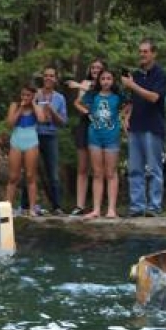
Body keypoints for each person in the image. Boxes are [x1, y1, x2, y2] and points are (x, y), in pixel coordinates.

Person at [122, 39, 166, 217]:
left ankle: (155, 207)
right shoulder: (136, 74)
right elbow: (133, 100)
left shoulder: (160, 75)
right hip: (136, 126)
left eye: (146, 51)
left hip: (153, 127)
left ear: (153, 54)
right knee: (135, 169)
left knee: (154, 169)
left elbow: (154, 98)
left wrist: (133, 85)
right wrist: (126, 116)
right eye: (140, 51)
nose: (142, 54)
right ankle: (137, 206)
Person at [76, 69, 125, 219]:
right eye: (103, 78)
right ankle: (96, 209)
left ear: (113, 80)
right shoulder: (93, 95)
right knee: (97, 173)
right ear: (99, 81)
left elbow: (129, 104)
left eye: (108, 78)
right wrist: (87, 113)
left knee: (111, 173)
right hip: (95, 136)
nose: (105, 81)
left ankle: (111, 209)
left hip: (111, 136)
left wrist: (125, 117)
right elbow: (78, 102)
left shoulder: (118, 97)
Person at [66, 59, 106, 216]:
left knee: (98, 169)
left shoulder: (105, 83)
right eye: (93, 67)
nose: (95, 69)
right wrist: (85, 111)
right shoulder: (85, 83)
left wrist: (77, 85)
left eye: (99, 67)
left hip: (101, 125)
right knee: (82, 167)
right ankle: (79, 205)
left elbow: (98, 93)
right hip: (85, 123)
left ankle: (98, 206)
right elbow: (78, 102)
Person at [4, 85, 45, 217]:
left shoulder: (36, 106)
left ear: (33, 96)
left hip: (31, 141)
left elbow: (42, 119)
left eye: (28, 95)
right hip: (16, 140)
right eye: (23, 95)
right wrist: (21, 108)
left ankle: (32, 208)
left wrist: (34, 103)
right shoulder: (14, 105)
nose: (25, 97)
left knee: (30, 176)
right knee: (13, 177)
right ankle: (7, 207)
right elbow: (10, 123)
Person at [33, 66, 68, 215]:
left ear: (56, 79)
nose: (48, 78)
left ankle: (57, 206)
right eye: (46, 75)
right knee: (30, 171)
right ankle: (26, 204)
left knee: (53, 173)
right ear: (42, 77)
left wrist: (51, 111)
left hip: (51, 135)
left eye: (51, 76)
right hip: (34, 135)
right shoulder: (35, 94)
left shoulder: (60, 98)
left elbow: (63, 122)